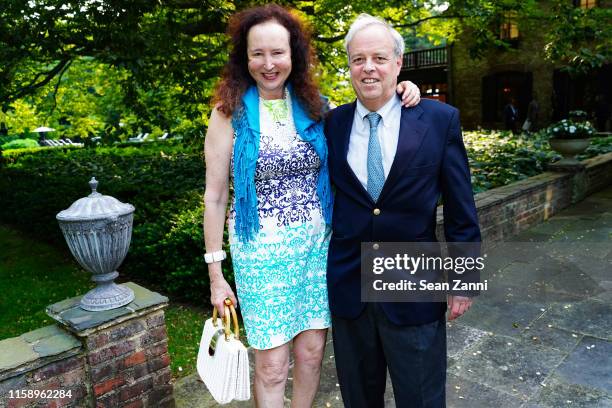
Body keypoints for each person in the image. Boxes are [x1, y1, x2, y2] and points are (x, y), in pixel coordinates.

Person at [202, 5, 420, 406]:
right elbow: (214, 197)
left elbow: (368, 118)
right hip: (260, 256)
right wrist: (216, 275)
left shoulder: (316, 107)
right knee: (271, 365)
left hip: (317, 252)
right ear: (244, 58)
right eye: (257, 54)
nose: (268, 64)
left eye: (278, 53)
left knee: (311, 354)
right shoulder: (227, 115)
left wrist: (405, 90)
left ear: (293, 55)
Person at [325, 14, 481, 407]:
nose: (368, 67)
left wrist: (464, 280)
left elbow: (461, 205)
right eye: (358, 59)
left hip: (413, 281)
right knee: (360, 399)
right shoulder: (332, 124)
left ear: (398, 63)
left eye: (379, 57)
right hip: (349, 283)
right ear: (349, 68)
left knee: (422, 398)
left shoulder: (438, 119)